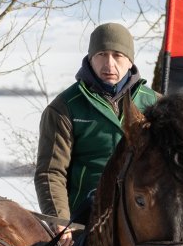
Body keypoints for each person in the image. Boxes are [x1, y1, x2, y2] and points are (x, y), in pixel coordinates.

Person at [34, 22, 159, 220]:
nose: (109, 64)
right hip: (87, 219)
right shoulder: (65, 107)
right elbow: (51, 172)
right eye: (101, 54)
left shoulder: (156, 104)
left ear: (129, 61)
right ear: (91, 58)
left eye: (117, 55)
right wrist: (59, 220)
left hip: (145, 221)